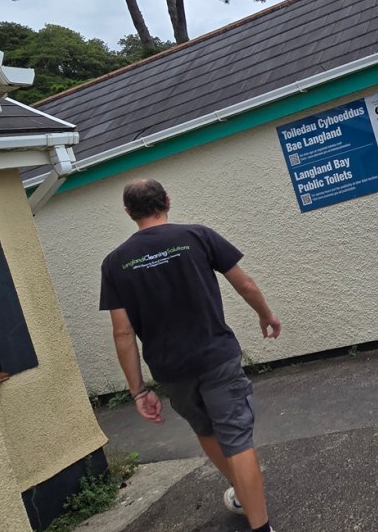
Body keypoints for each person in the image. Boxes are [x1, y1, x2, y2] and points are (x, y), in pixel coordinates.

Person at [100, 178, 281, 532]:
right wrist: (266, 315)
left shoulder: (115, 263)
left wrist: (138, 390)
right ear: (167, 200)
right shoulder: (197, 236)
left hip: (171, 369)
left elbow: (122, 331)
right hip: (216, 356)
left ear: (128, 213)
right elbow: (244, 283)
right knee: (237, 438)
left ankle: (245, 496)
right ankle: (260, 525)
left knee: (206, 429)